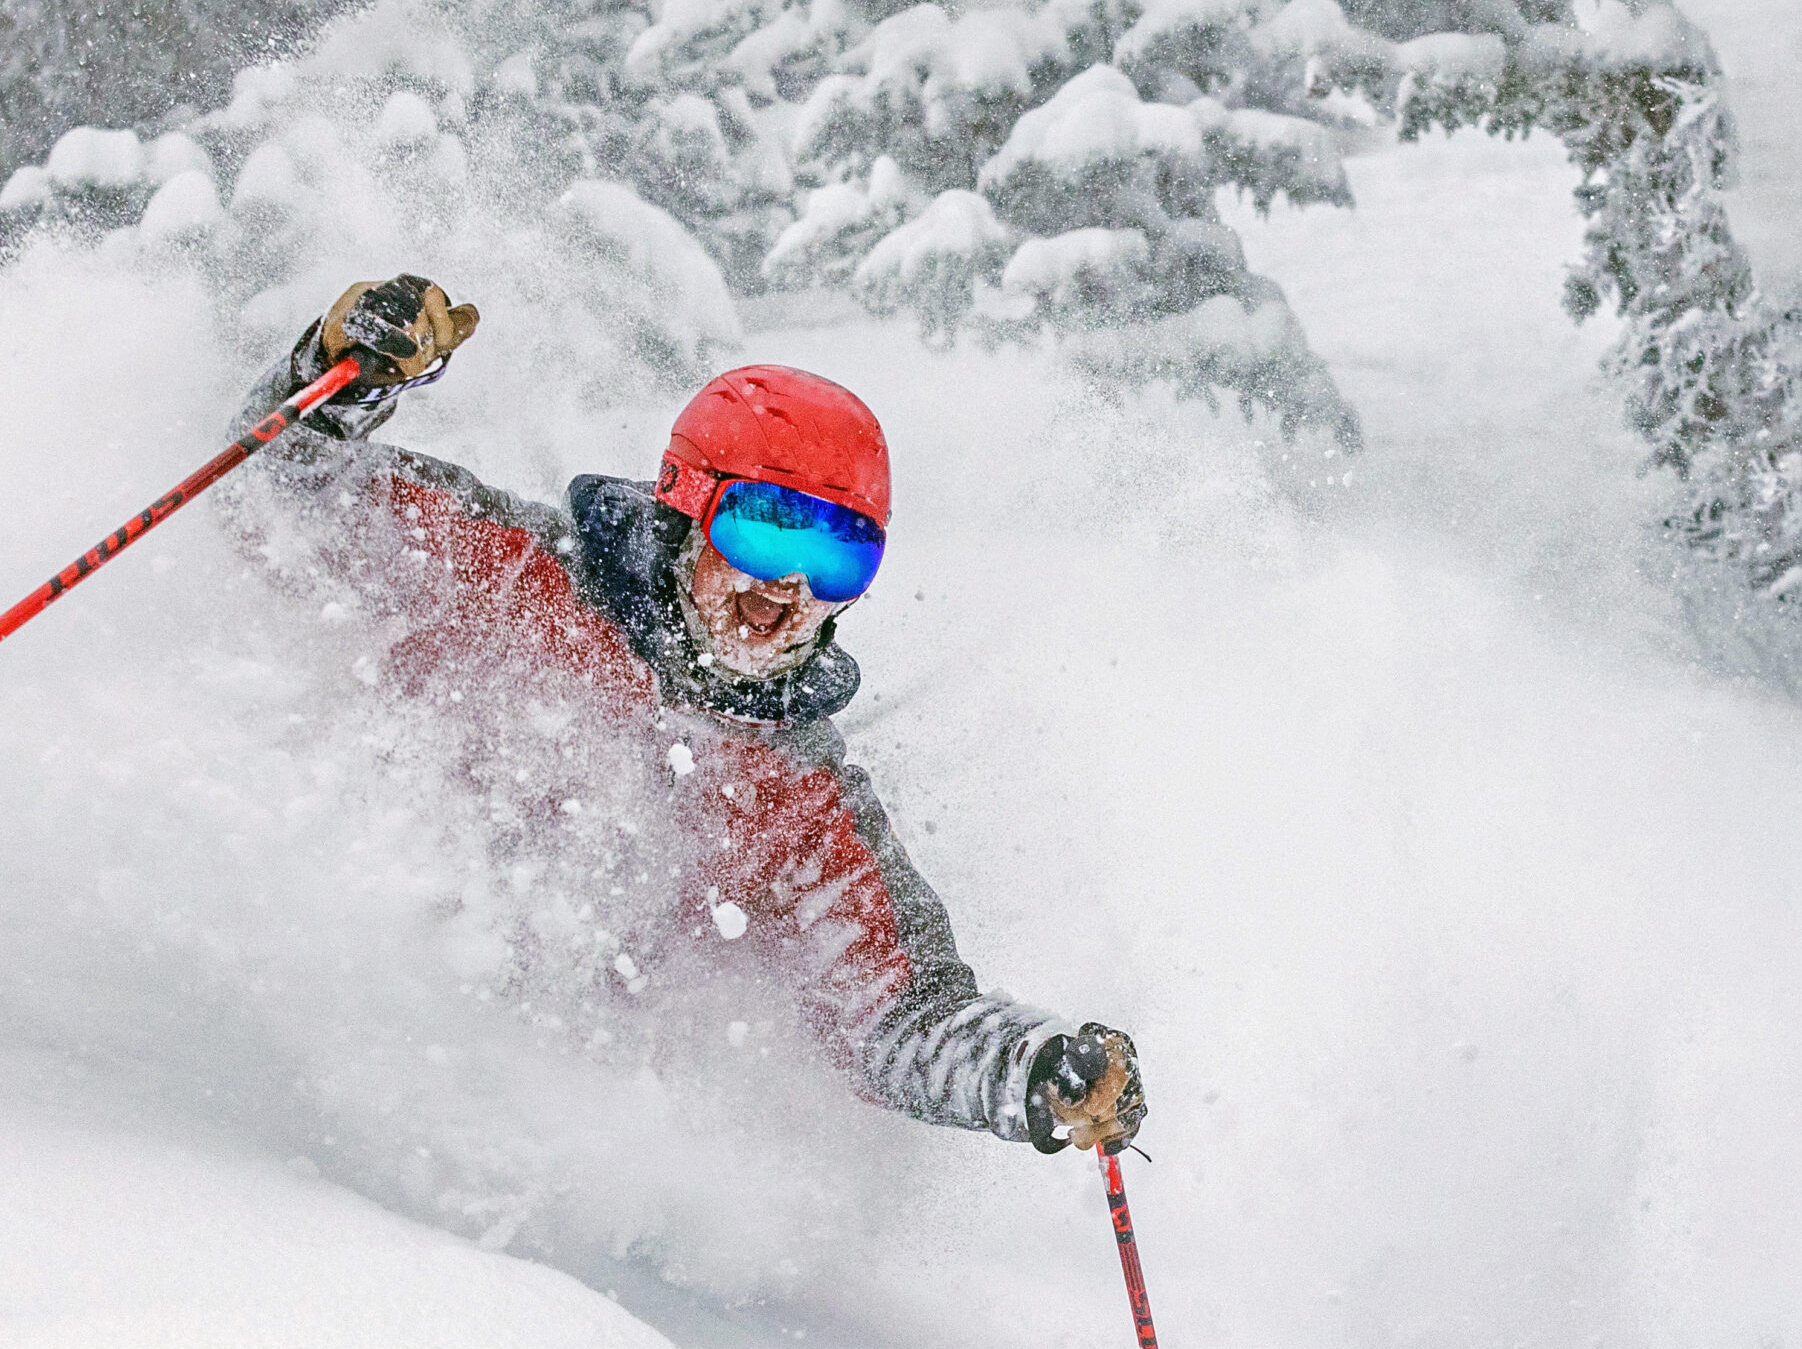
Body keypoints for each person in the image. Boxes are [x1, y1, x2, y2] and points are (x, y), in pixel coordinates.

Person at [236, 274, 1147, 1156]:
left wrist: (1029, 1068)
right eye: (763, 530)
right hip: (322, 1019)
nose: (787, 587)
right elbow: (286, 498)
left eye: (838, 558)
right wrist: (341, 377)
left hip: (540, 1128)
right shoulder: (520, 575)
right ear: (686, 500)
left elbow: (901, 1014)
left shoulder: (802, 793)